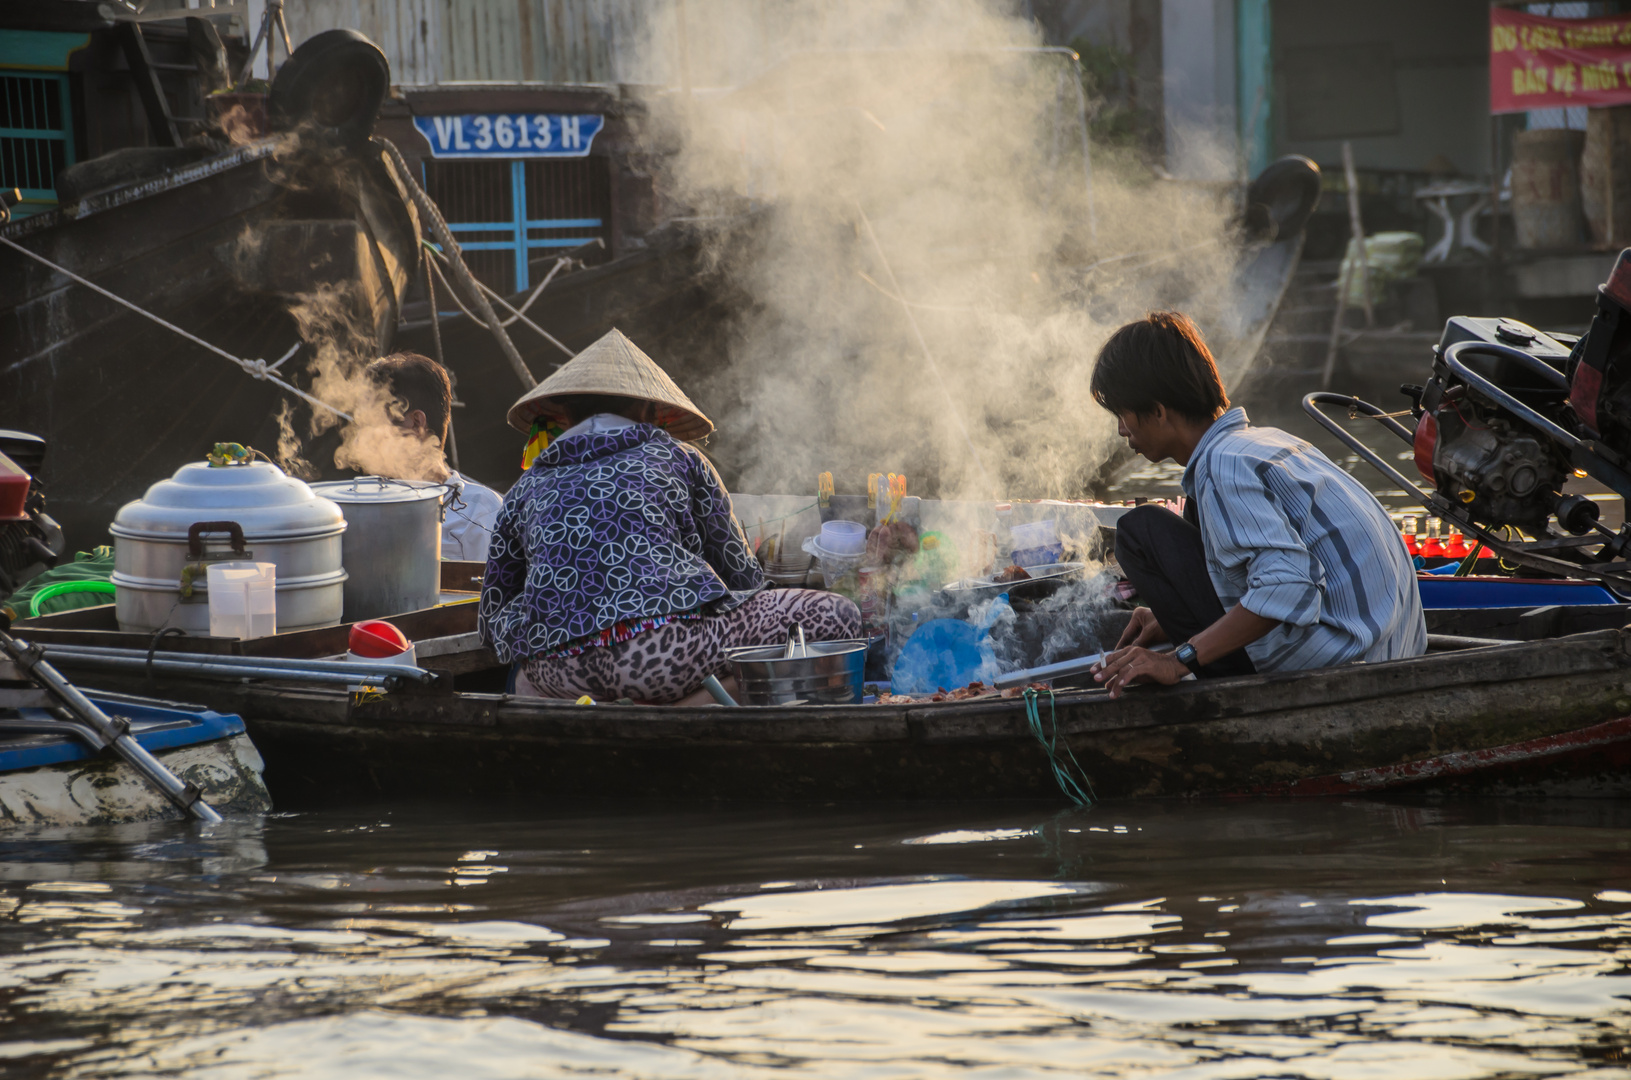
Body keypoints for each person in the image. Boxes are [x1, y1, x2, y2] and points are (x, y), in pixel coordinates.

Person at [479, 327, 860, 703]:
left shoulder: (525, 487)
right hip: (659, 659)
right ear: (649, 410)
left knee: (522, 677)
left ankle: (600, 704)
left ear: (562, 415)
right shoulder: (679, 456)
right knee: (837, 614)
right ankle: (689, 705)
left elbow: (492, 614)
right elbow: (742, 577)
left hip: (556, 674)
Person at [1088, 311, 1425, 698]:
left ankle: (1218, 676)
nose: (1121, 429)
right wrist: (1169, 623)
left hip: (1339, 665)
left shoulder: (1223, 466)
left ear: (1159, 411)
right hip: (1392, 650)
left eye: (1123, 414)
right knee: (1191, 514)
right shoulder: (1267, 442)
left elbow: (1289, 588)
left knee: (1141, 530)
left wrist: (1177, 659)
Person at [364, 352, 504, 562]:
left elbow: (494, 592)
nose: (364, 436)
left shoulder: (480, 510)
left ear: (417, 423)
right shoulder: (363, 505)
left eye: (374, 423)